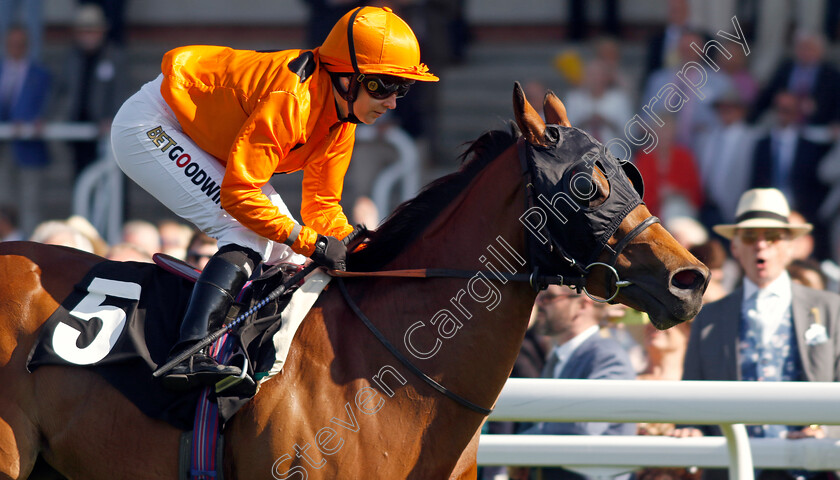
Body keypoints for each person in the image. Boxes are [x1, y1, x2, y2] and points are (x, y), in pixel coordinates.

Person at [109, 6, 438, 391]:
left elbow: (322, 208)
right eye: (382, 85)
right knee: (246, 231)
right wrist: (311, 241)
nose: (393, 101)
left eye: (402, 88)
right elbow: (239, 196)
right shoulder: (292, 100)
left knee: (290, 255)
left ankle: (248, 351)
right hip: (151, 125)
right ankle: (191, 350)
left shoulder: (341, 121)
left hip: (201, 138)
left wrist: (360, 252)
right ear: (345, 78)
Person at [677, 188, 840, 480]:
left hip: (810, 466)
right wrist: (692, 430)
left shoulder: (830, 309)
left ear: (790, 246)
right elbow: (693, 400)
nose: (761, 246)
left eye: (773, 236)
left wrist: (821, 429)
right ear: (736, 248)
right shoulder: (709, 318)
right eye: (750, 237)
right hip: (734, 466)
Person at [511, 285, 637, 480]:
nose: (539, 303)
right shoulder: (561, 355)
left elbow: (582, 428)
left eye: (549, 297)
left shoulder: (607, 356)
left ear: (582, 305)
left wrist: (512, 445)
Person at [58, 3, 124, 177]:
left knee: (109, 180)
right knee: (80, 177)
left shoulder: (113, 56)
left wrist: (113, 118)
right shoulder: (72, 57)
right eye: (84, 31)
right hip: (77, 127)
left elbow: (120, 91)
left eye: (92, 30)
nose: (88, 36)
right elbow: (61, 90)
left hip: (104, 130)